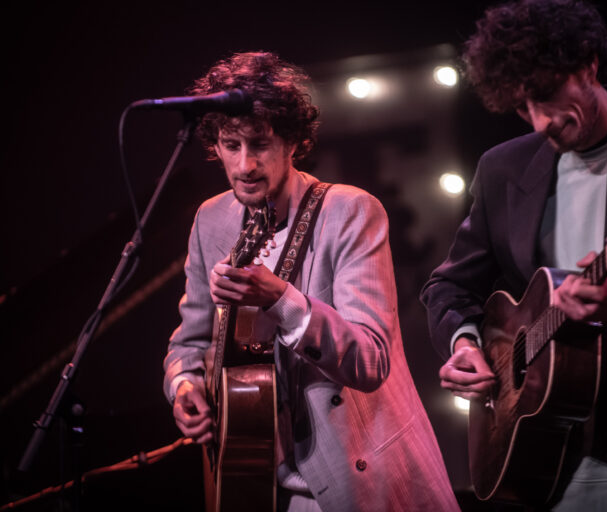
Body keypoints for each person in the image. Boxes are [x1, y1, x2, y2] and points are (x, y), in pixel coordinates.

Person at [420, 1, 607, 511]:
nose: (539, 122)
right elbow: (448, 287)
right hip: (544, 458)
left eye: (547, 96)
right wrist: (465, 343)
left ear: (588, 64)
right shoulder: (503, 168)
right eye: (521, 107)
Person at [163, 51, 460, 512]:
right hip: (262, 485)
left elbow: (370, 360)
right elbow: (189, 342)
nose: (244, 165)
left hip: (358, 479)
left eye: (259, 144)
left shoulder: (349, 211)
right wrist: (184, 386)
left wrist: (282, 300)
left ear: (293, 141)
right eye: (230, 145)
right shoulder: (210, 219)